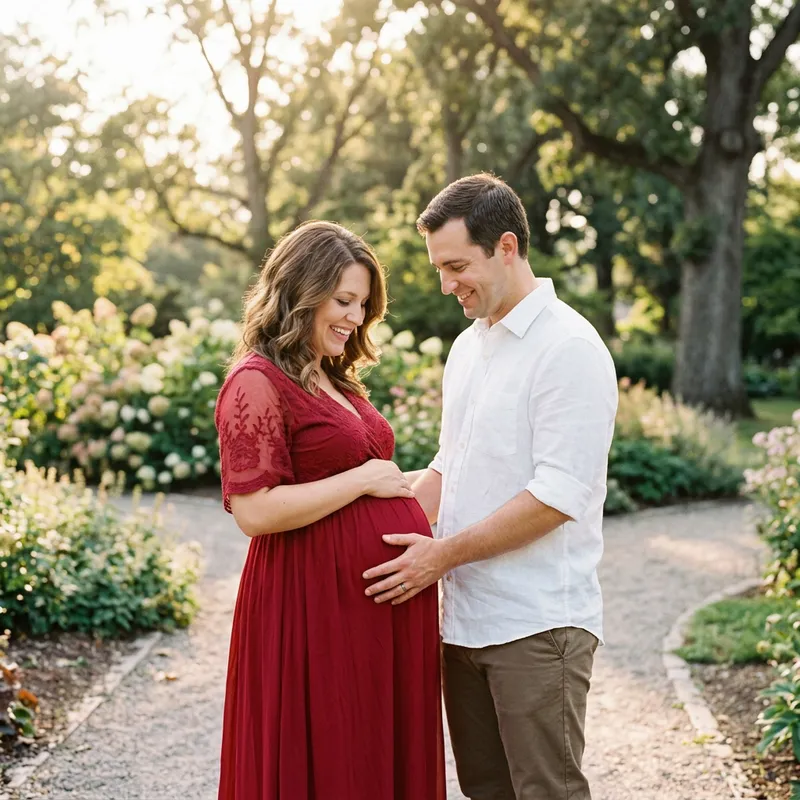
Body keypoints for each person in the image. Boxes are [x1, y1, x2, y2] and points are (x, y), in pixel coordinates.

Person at [363, 174, 618, 800]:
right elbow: (453, 464)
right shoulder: (467, 349)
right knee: (486, 791)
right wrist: (365, 531)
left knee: (546, 792)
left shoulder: (570, 348)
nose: (446, 285)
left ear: (506, 247)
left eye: (457, 266)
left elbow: (559, 496)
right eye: (439, 268)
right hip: (464, 620)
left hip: (538, 625)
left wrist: (440, 557)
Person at [214, 220, 444, 800]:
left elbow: (374, 487)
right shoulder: (255, 382)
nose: (355, 317)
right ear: (300, 291)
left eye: (363, 304)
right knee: (329, 757)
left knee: (371, 755)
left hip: (373, 610)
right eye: (343, 300)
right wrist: (362, 478)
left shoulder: (333, 377)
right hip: (309, 606)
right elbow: (254, 511)